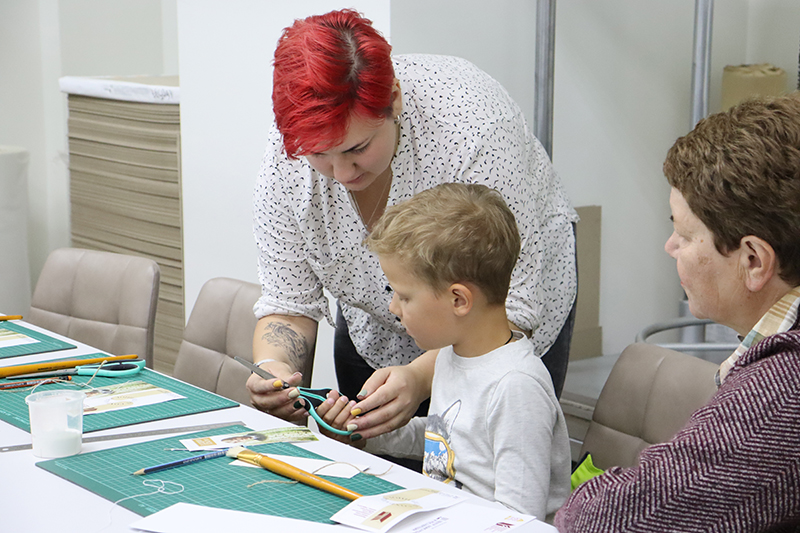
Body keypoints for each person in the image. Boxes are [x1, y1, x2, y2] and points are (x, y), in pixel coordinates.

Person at [247, 8, 578, 441]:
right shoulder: (287, 158)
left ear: (395, 100)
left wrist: (422, 377)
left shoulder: (472, 128)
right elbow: (289, 301)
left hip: (493, 337)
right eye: (319, 155)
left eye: (357, 148)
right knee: (372, 458)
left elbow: (510, 305)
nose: (341, 173)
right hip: (374, 336)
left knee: (479, 463)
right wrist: (274, 369)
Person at [555, 94, 800, 532]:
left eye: (685, 235)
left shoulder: (782, 391)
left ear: (754, 261)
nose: (670, 247)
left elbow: (602, 521)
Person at [313, 183, 571, 519]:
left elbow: (519, 518)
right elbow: (445, 440)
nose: (393, 307)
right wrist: (362, 435)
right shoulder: (454, 356)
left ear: (458, 300)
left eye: (404, 296)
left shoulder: (516, 388)